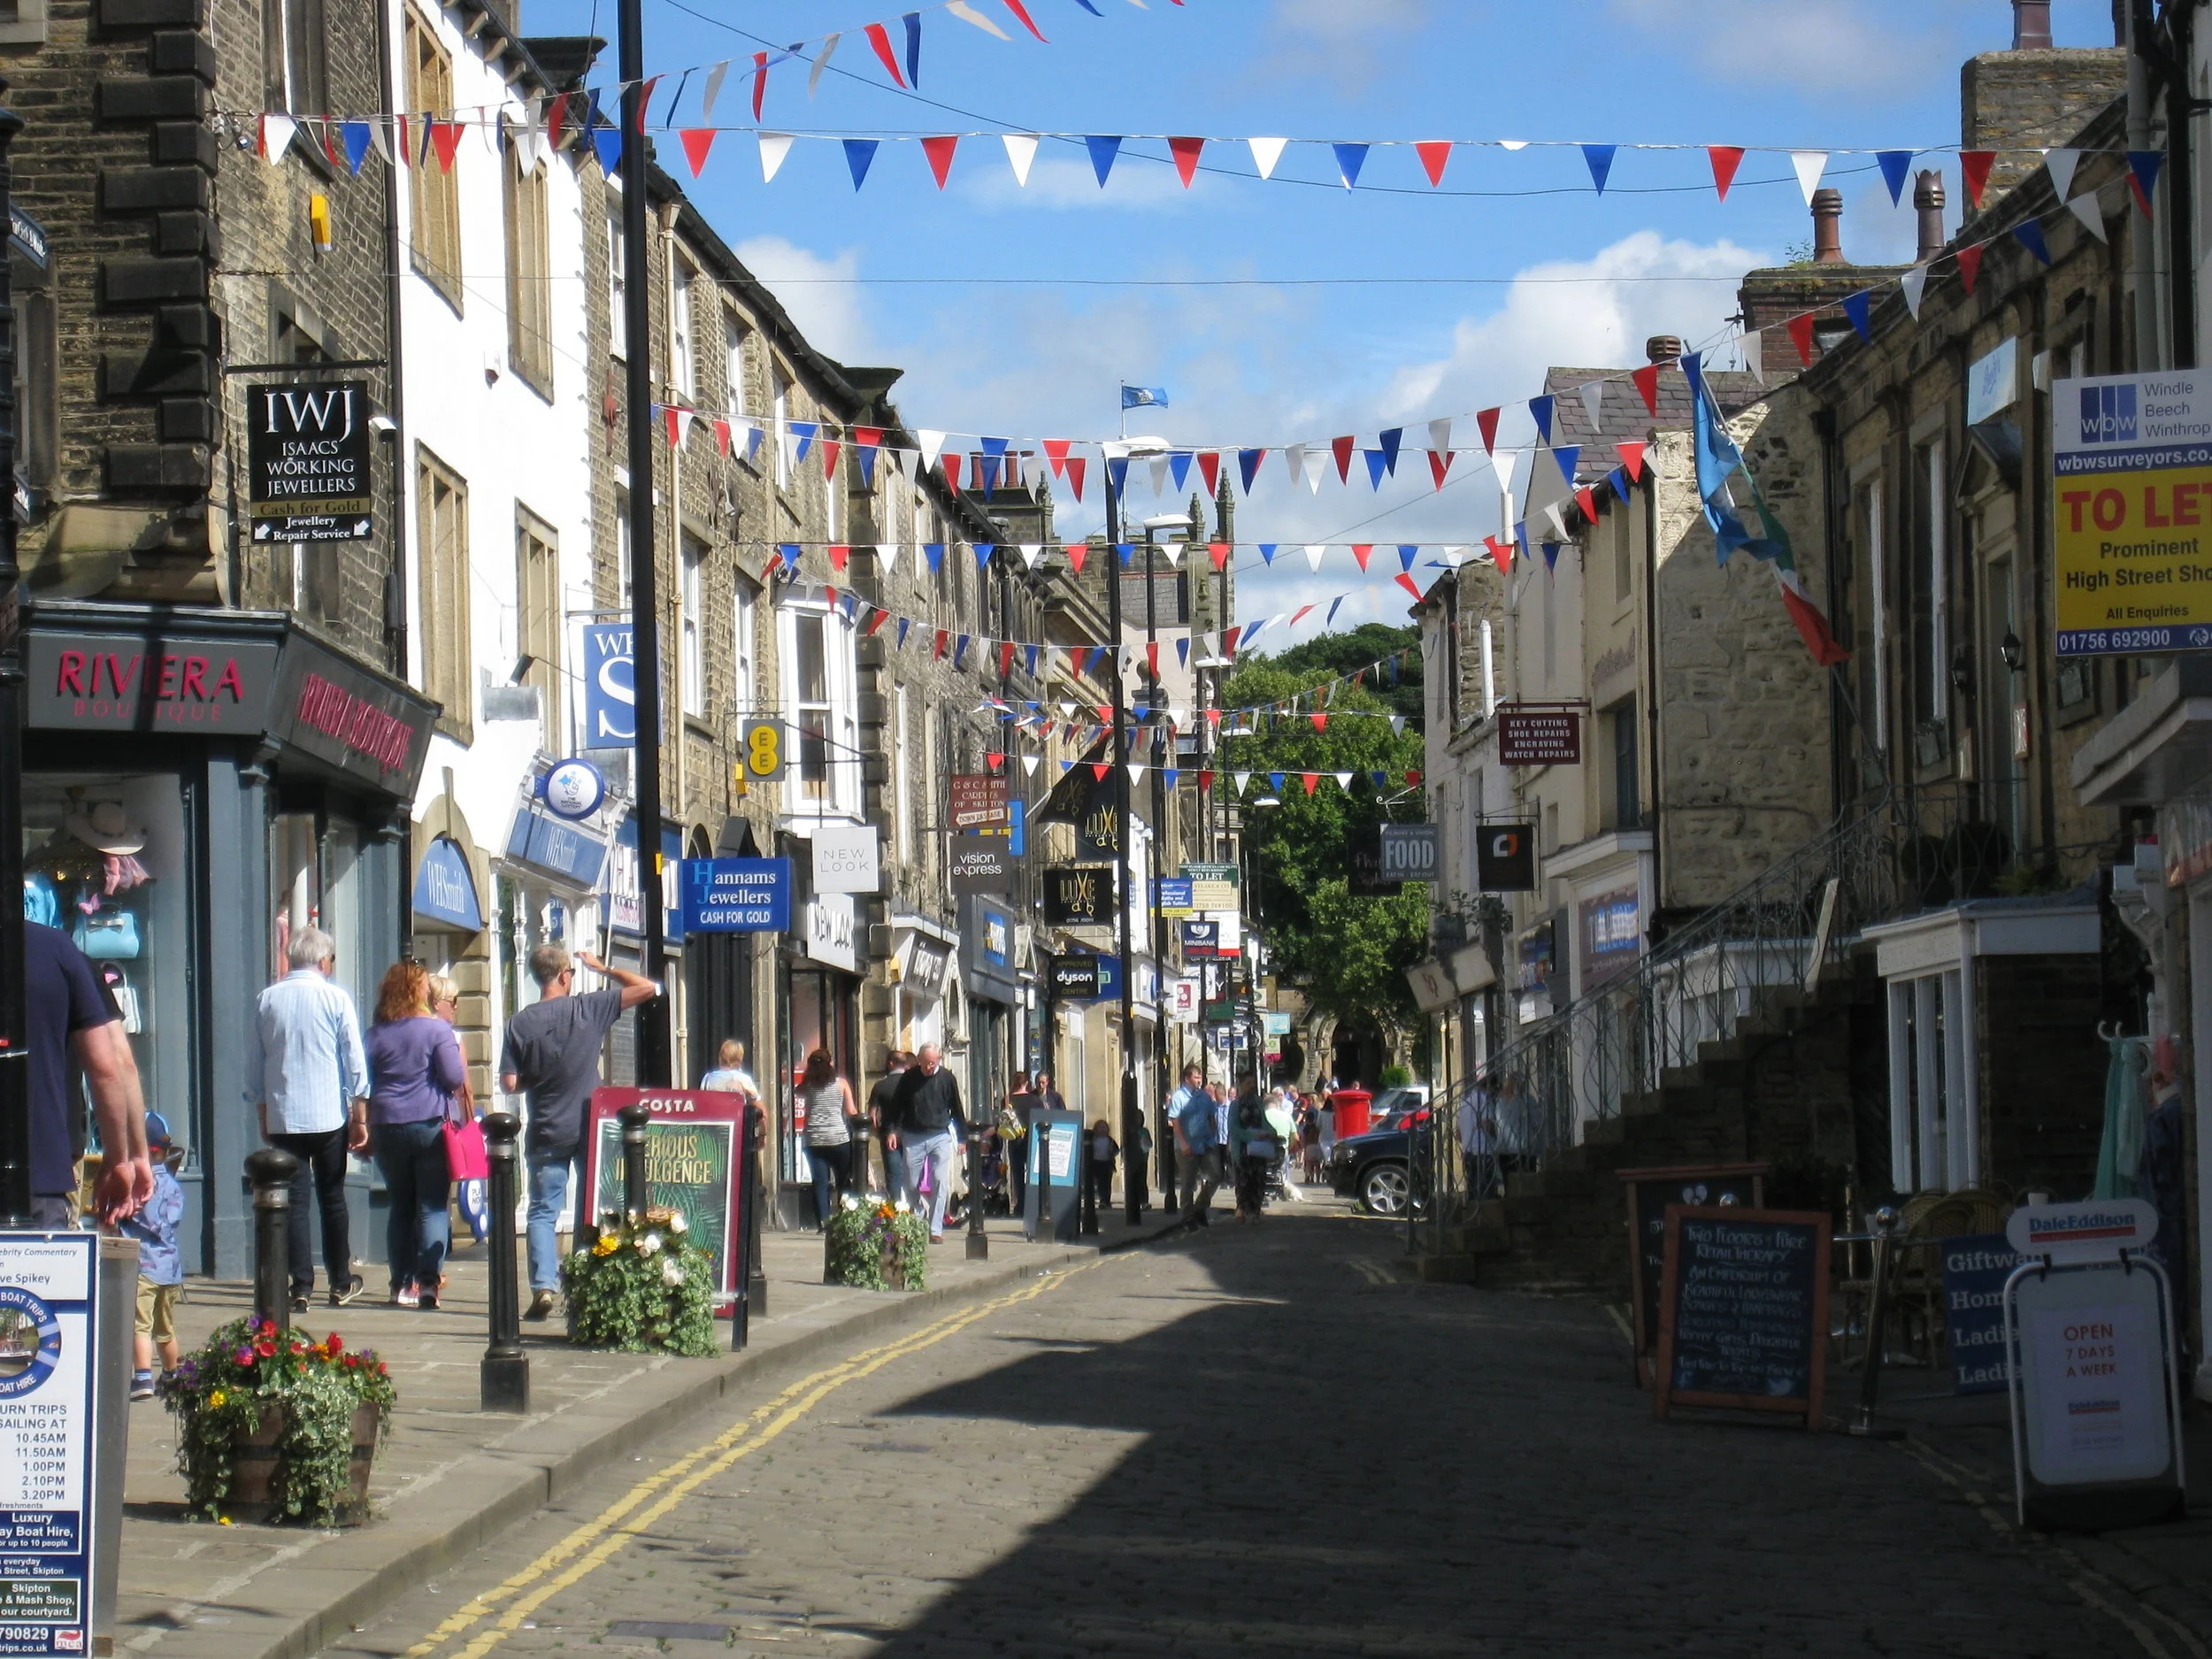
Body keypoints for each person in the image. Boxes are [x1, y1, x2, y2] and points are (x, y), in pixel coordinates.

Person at [501, 944, 659, 1321]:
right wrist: (602, 968)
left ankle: (544, 1286)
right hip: (589, 1124)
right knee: (592, 1208)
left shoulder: (520, 1023)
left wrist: (537, 1078)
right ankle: (586, 1286)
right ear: (564, 976)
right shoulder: (588, 1007)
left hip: (545, 1129)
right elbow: (650, 988)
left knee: (541, 1212)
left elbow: (509, 1083)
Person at [248, 926, 368, 1309]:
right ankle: (340, 1280)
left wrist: (262, 1113)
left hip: (285, 1115)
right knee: (332, 1198)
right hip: (328, 1114)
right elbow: (354, 1059)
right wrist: (360, 1114)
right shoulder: (335, 998)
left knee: (293, 1202)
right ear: (322, 961)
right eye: (330, 959)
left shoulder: (268, 999)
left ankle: (300, 1285)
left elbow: (256, 1063)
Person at [26, 919, 149, 1228]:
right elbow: (115, 1065)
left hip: (46, 1160)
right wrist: (128, 1157)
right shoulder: (57, 951)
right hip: (43, 1162)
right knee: (38, 1274)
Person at [365, 961, 467, 1309]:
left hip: (387, 1125)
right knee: (432, 1207)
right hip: (428, 1125)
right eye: (423, 985)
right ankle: (427, 1285)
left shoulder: (376, 1033)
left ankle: (398, 1284)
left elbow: (364, 1080)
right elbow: (454, 1078)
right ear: (414, 990)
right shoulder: (437, 1030)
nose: (427, 989)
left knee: (401, 1206)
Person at [123, 1111, 184, 1399]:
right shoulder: (172, 1185)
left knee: (141, 1325)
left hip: (143, 1265)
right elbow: (173, 1218)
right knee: (165, 1326)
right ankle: (172, 1374)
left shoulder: (136, 1184)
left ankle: (143, 1377)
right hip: (170, 1268)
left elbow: (125, 1217)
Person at [891, 1042, 965, 1242]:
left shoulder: (947, 1078)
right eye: (924, 1063)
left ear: (939, 1060)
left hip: (940, 1135)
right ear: (919, 1060)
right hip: (913, 1135)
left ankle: (935, 1229)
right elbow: (897, 1106)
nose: (928, 1067)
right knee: (910, 1182)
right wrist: (892, 1131)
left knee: (940, 1180)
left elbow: (956, 1108)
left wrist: (962, 1138)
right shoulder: (908, 1079)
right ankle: (918, 1213)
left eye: (932, 1063)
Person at [798, 1048, 860, 1227]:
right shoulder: (841, 1084)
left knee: (820, 1182)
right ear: (830, 1063)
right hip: (839, 1138)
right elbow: (851, 1111)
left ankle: (824, 1223)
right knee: (843, 1180)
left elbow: (797, 1092)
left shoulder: (807, 1086)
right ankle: (844, 1219)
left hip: (814, 1139)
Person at [1172, 1067, 1223, 1225]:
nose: (1199, 1080)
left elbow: (1211, 1116)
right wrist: (1183, 1142)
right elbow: (1175, 1121)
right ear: (1187, 1079)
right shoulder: (1179, 1097)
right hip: (1187, 1145)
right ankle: (1187, 1216)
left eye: (1200, 1077)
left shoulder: (1204, 1096)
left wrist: (1212, 1135)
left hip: (1206, 1143)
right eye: (1196, 1077)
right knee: (1188, 1182)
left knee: (1216, 1175)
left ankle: (1200, 1207)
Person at [1229, 1087, 1278, 1221]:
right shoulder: (1236, 1105)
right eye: (1247, 1083)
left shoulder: (1258, 1102)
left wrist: (1271, 1132)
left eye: (1252, 1083)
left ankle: (1256, 1209)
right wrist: (1253, 1135)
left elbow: (1264, 1122)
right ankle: (1241, 1209)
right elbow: (1233, 1129)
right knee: (1243, 1179)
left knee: (1258, 1178)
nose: (1250, 1086)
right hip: (1242, 1148)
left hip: (1259, 1147)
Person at [868, 1050, 911, 1201]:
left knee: (894, 1176)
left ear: (890, 1064)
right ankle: (914, 1210)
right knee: (912, 1173)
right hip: (912, 1133)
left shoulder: (880, 1086)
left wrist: (877, 1132)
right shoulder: (912, 1084)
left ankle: (896, 1210)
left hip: (888, 1135)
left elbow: (872, 1116)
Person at [1002, 1072, 1039, 1218]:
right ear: (1027, 1083)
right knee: (1032, 1173)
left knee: (1017, 1175)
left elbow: (1003, 1122)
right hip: (1031, 1139)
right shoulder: (1035, 1100)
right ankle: (1033, 1204)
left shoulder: (1008, 1100)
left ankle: (1020, 1205)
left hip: (1014, 1139)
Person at [1460, 1083, 1500, 1201]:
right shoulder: (1485, 1101)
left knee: (1473, 1190)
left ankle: (1474, 1215)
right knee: (1486, 1191)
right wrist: (1498, 1134)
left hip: (1468, 1151)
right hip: (1483, 1150)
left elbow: (1458, 1133)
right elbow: (1487, 1124)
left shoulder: (1465, 1103)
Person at [1085, 1117, 1118, 1215]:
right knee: (1099, 1183)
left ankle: (1106, 1201)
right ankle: (1102, 1200)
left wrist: (1111, 1153)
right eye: (1100, 1127)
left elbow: (1116, 1149)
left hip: (1107, 1162)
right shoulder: (1094, 1140)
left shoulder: (1110, 1140)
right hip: (1096, 1162)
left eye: (1104, 1127)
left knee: (1107, 1183)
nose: (1102, 1129)